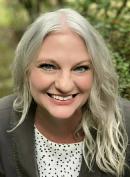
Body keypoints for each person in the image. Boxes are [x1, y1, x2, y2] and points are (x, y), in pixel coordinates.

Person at [0, 8, 130, 177]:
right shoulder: (2, 122)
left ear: (96, 73)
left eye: (80, 68)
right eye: (48, 66)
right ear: (26, 70)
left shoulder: (126, 122)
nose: (65, 85)